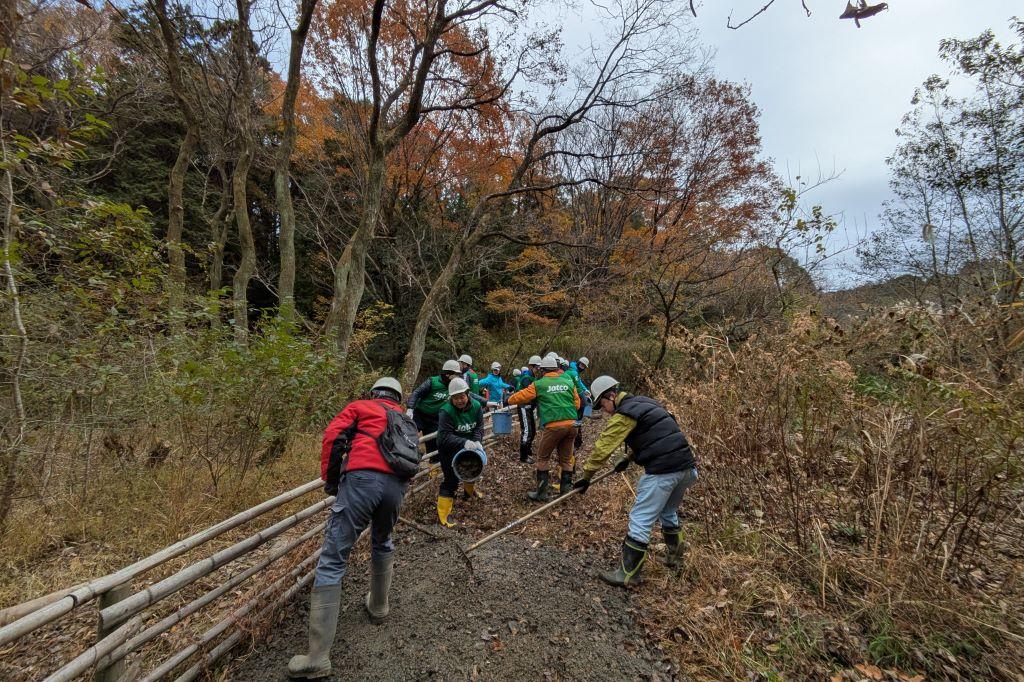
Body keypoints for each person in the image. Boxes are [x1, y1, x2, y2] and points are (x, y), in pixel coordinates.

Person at [288, 377, 410, 679]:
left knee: (332, 558)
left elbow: (333, 437)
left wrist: (330, 480)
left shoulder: (360, 407)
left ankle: (317, 657)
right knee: (382, 542)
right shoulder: (405, 419)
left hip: (362, 480)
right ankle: (378, 607)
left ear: (374, 393)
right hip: (395, 487)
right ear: (397, 397)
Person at [573, 375, 698, 587]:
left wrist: (586, 477)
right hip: (686, 468)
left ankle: (628, 575)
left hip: (662, 471)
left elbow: (602, 449)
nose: (603, 410)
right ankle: (675, 559)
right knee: (668, 512)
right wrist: (629, 457)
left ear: (611, 396)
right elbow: (659, 431)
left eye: (602, 404)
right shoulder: (646, 402)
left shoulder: (625, 414)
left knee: (640, 518)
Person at [507, 354, 580, 502]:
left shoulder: (539, 384)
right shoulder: (568, 381)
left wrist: (508, 399)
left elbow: (522, 396)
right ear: (557, 368)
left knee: (542, 458)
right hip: (572, 425)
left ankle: (541, 493)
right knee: (566, 459)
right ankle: (565, 491)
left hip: (554, 426)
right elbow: (577, 404)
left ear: (543, 370)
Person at [435, 377, 486, 526]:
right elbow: (445, 436)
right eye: (455, 398)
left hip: (469, 445)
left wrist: (477, 440)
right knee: (451, 480)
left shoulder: (476, 406)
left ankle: (468, 493)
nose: (459, 401)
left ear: (468, 393)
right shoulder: (446, 411)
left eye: (462, 396)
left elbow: (479, 427)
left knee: (472, 469)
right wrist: (464, 442)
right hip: (448, 448)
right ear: (451, 397)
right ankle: (444, 515)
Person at [406, 359, 462, 437]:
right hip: (419, 415)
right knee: (408, 436)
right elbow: (416, 393)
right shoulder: (432, 382)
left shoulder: (455, 386)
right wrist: (410, 408)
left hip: (435, 420)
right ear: (447, 374)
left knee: (432, 445)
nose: (457, 377)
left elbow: (470, 395)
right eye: (456, 374)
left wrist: (485, 402)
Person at [515, 356, 541, 463]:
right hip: (524, 407)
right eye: (536, 368)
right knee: (526, 431)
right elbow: (530, 394)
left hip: (530, 407)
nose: (538, 370)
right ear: (531, 366)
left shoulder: (534, 377)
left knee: (533, 431)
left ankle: (528, 451)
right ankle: (523, 456)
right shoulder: (526, 378)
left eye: (539, 368)